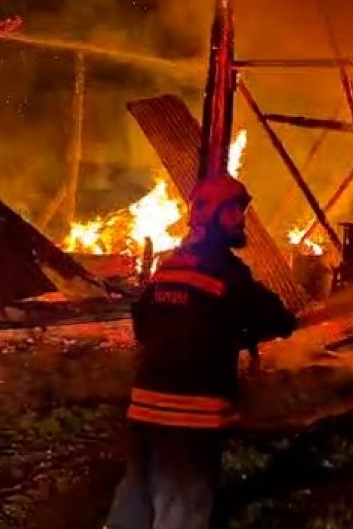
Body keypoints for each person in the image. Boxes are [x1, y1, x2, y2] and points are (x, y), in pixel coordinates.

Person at [105, 174, 297, 529]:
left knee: (135, 502)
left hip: (145, 410)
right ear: (219, 216)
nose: (241, 220)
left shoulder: (170, 267)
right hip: (191, 418)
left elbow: (143, 324)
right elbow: (274, 317)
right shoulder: (226, 272)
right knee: (182, 511)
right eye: (237, 211)